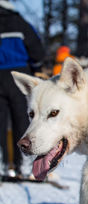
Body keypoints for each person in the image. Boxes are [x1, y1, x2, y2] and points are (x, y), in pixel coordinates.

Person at [0, 0, 45, 177]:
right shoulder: (20, 22)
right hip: (19, 75)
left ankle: (2, 164)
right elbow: (37, 51)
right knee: (23, 119)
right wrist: (37, 68)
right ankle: (26, 165)